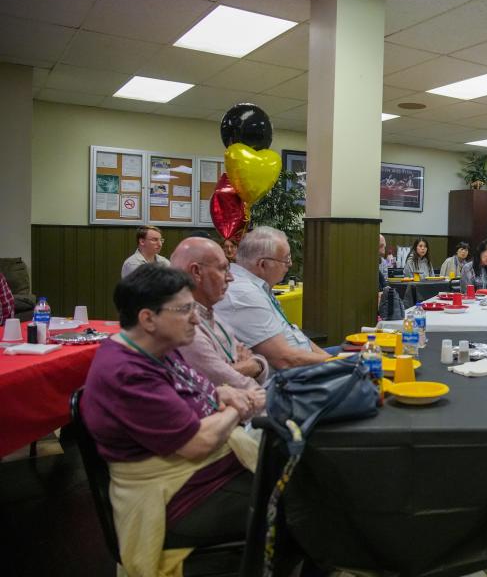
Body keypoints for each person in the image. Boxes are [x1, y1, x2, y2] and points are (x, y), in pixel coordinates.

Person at [80, 265, 263, 575]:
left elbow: (194, 395)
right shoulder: (126, 373)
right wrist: (237, 407)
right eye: (185, 309)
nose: (195, 318)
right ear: (148, 319)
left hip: (206, 476)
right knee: (302, 501)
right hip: (177, 499)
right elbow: (196, 442)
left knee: (310, 479)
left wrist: (222, 393)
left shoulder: (160, 347)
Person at [215, 227, 337, 370]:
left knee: (361, 350)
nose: (290, 264)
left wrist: (334, 361)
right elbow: (285, 360)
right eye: (286, 259)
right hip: (295, 376)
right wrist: (340, 363)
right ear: (263, 264)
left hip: (304, 360)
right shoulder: (245, 293)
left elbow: (296, 335)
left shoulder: (259, 285)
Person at [170, 237, 267, 390]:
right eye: (223, 269)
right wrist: (249, 367)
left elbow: (252, 362)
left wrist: (255, 365)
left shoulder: (210, 313)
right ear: (197, 272)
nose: (230, 277)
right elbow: (234, 385)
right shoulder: (186, 326)